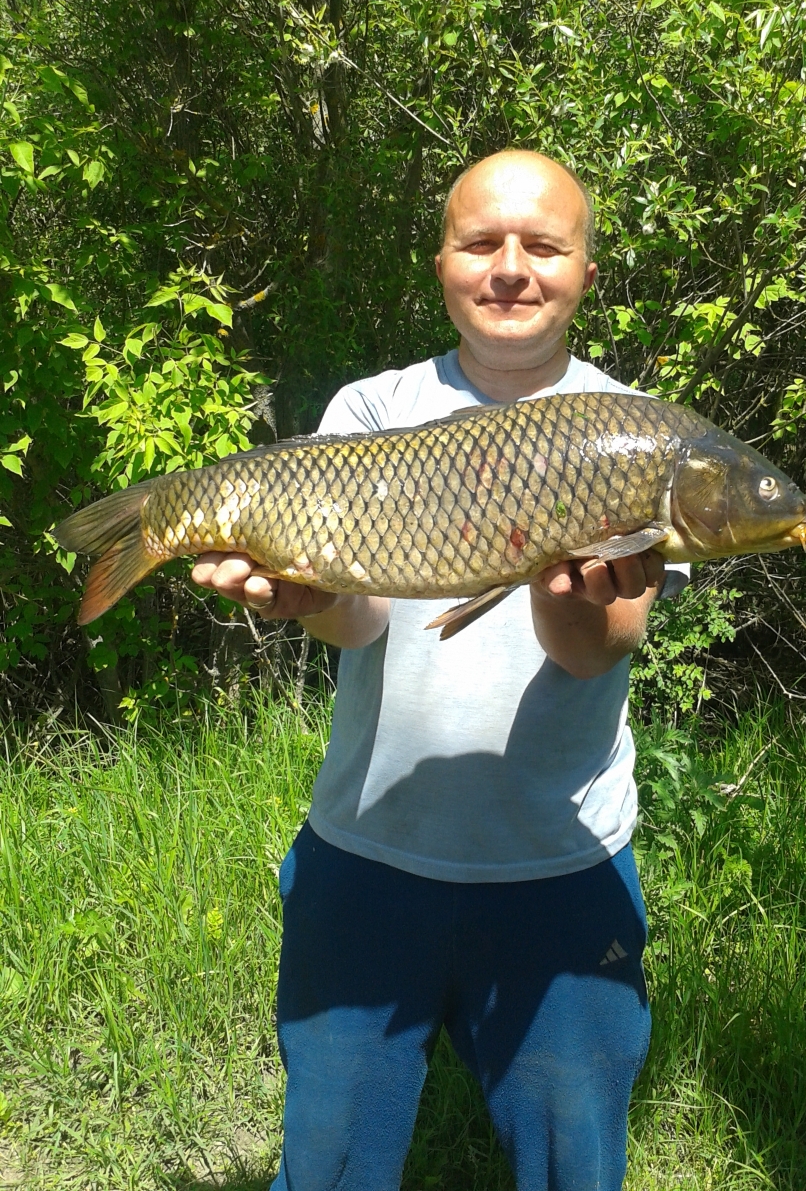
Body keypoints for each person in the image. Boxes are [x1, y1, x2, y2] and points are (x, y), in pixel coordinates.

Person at [193, 150, 687, 1191]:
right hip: (369, 852)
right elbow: (362, 618)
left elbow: (599, 647)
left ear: (585, 273)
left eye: (543, 246)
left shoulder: (638, 433)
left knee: (573, 1167)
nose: (511, 268)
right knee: (327, 1164)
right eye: (482, 243)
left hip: (559, 865)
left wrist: (565, 594)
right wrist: (310, 593)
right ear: (443, 266)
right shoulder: (372, 411)